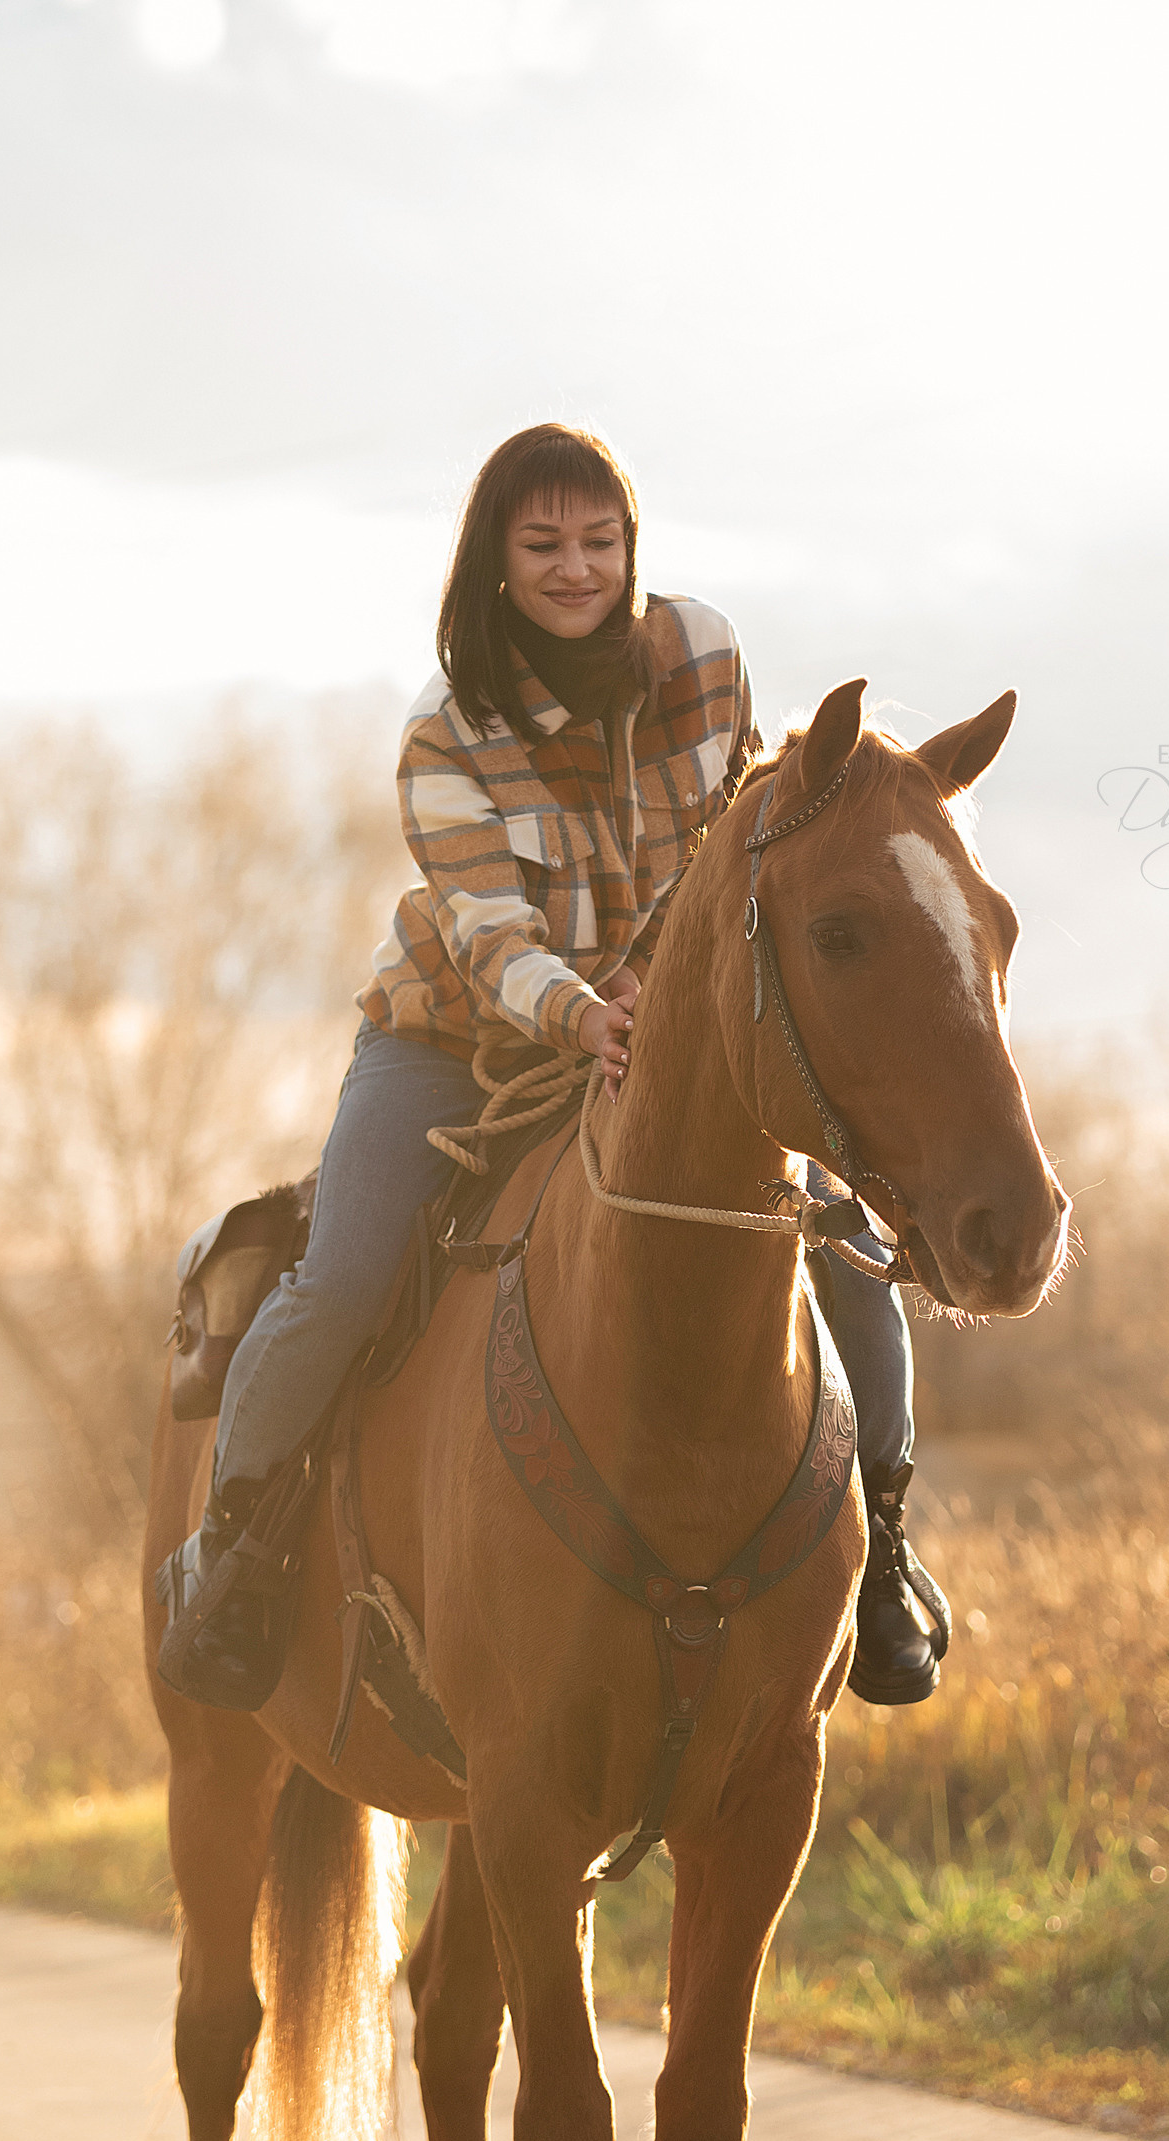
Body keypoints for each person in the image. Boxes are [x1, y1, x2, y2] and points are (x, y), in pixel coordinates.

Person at [160, 422, 949, 1713]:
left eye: (601, 539)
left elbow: (740, 839)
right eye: (544, 545)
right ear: (496, 560)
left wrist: (687, 984)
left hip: (659, 1032)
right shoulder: (448, 733)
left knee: (845, 1253)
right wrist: (583, 1014)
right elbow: (486, 931)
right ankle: (230, 1554)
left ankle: (885, 1559)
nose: (577, 566)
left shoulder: (703, 654)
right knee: (345, 1273)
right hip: (458, 1037)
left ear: (632, 545)